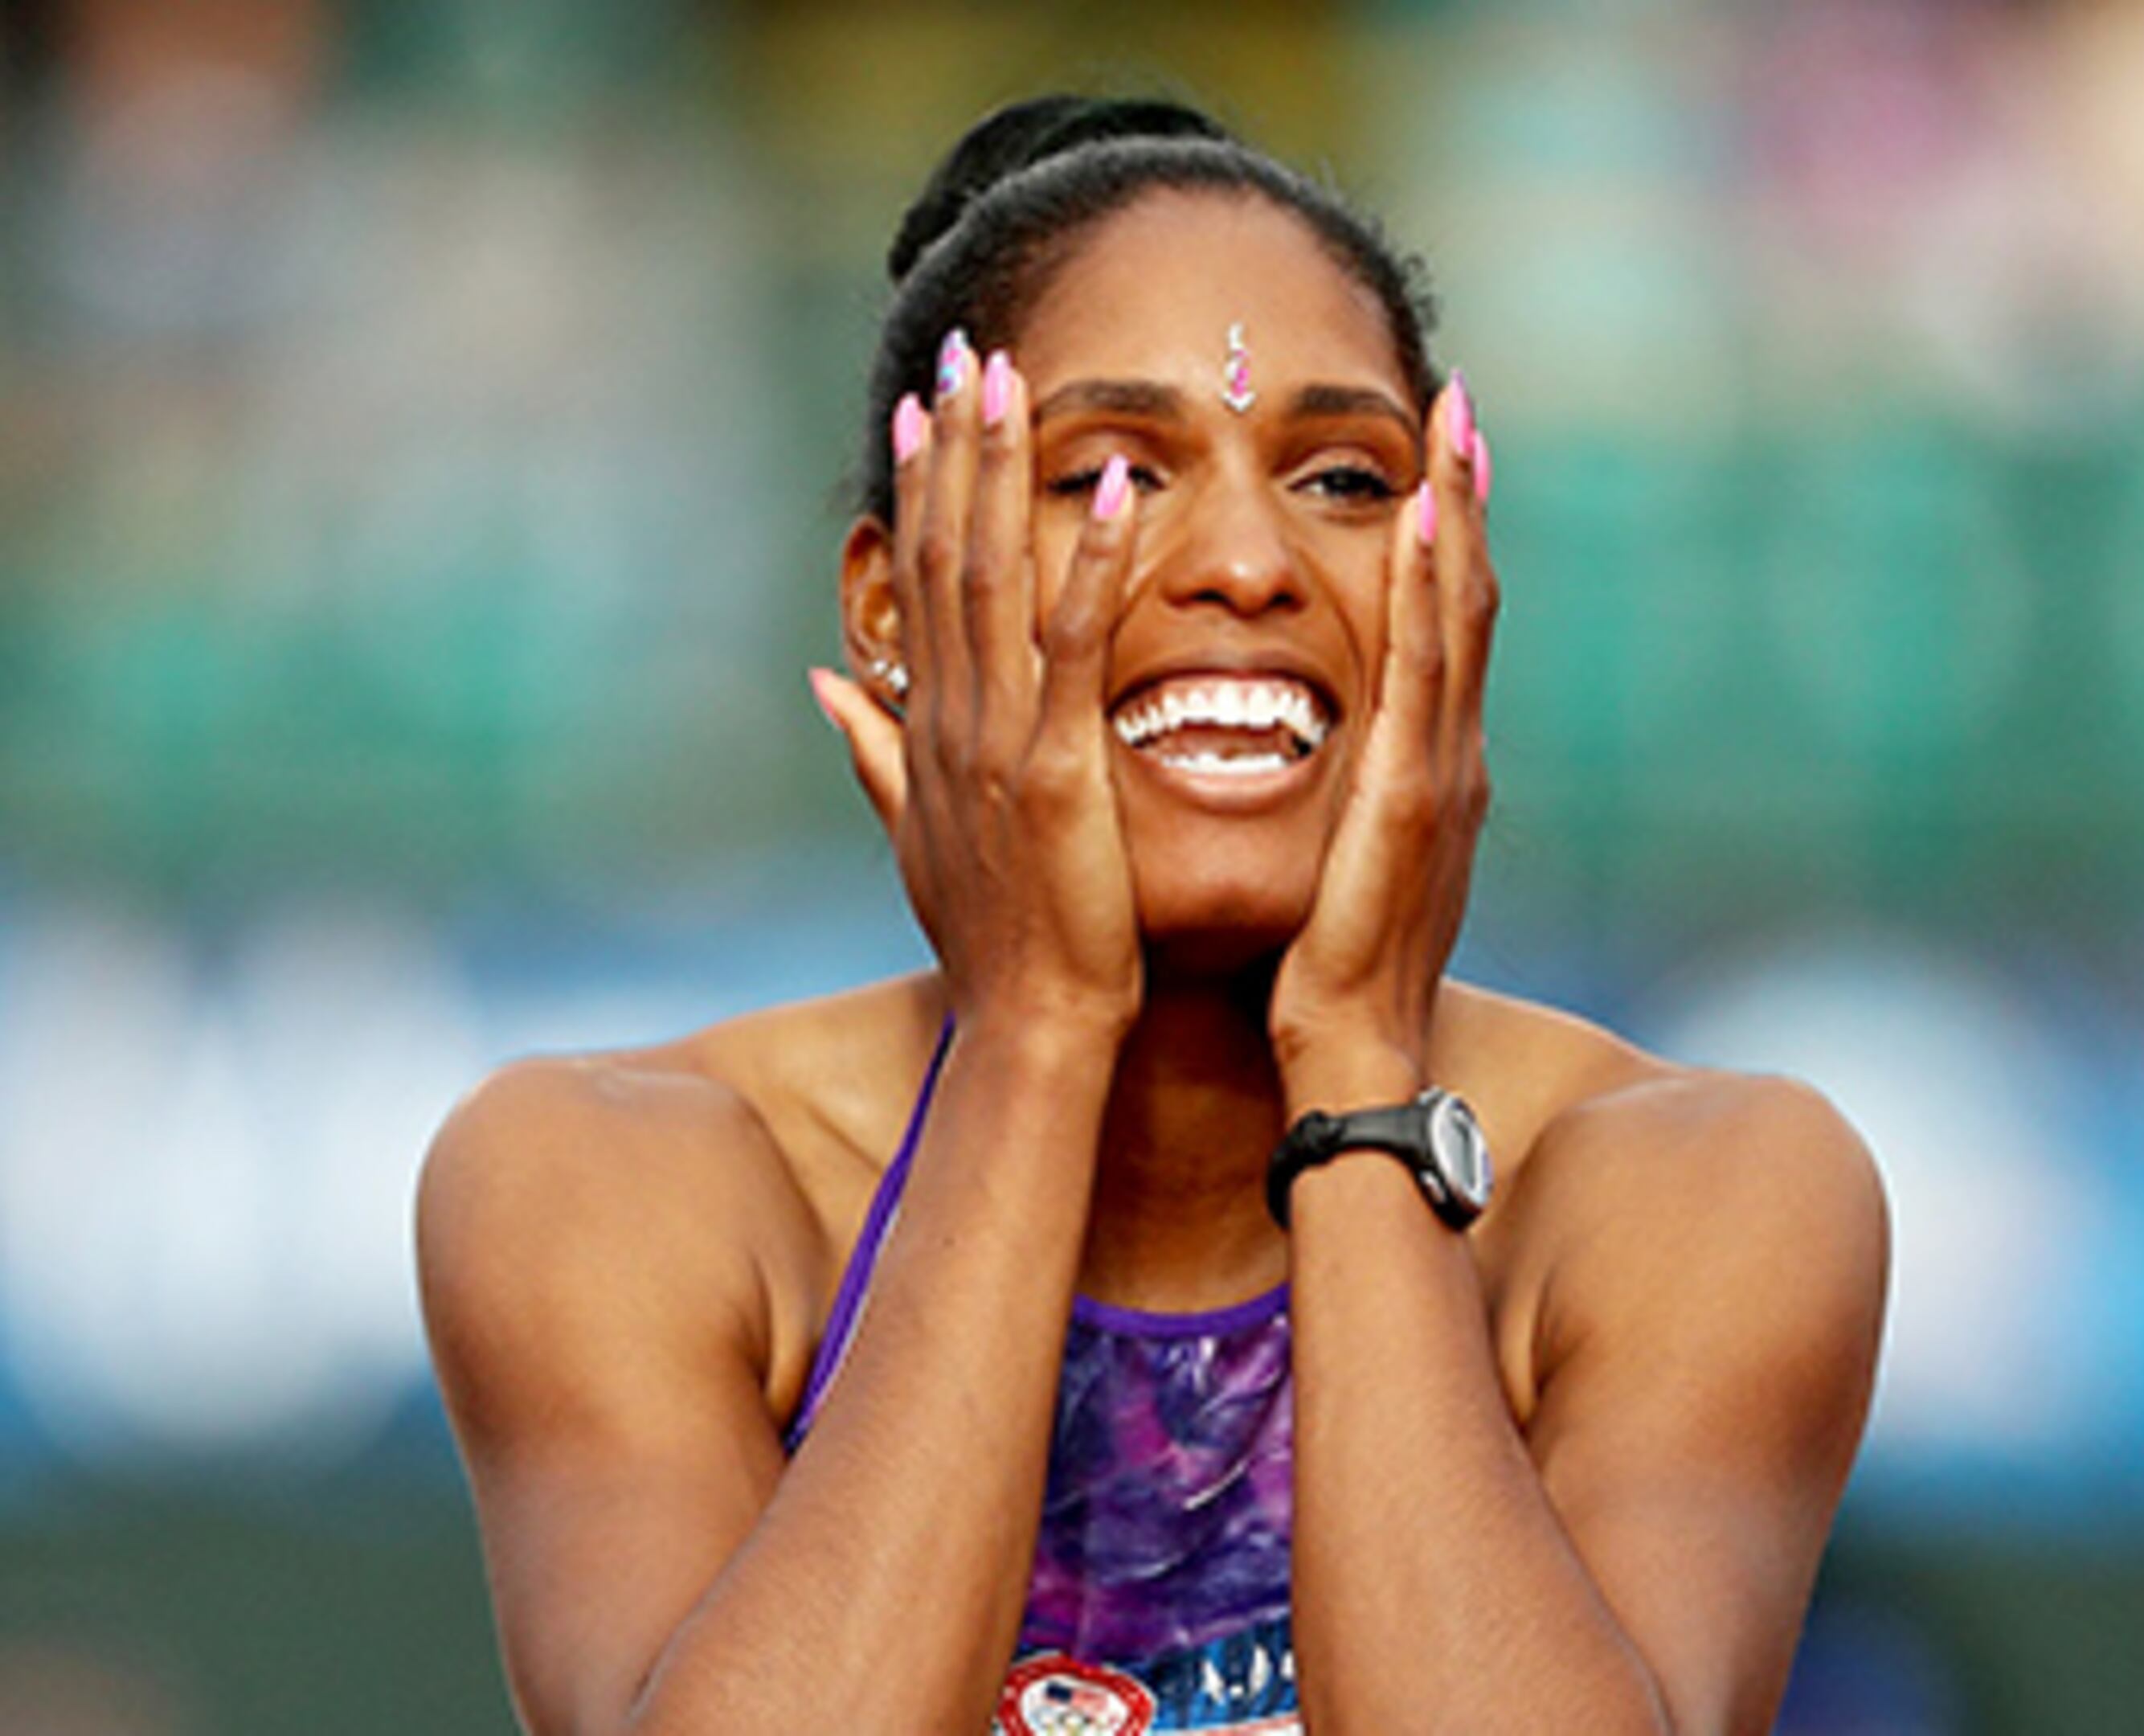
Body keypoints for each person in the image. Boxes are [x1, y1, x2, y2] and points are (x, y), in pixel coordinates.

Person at [415, 96, 1888, 1736]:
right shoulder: (619, 1180)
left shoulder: (1696, 1193)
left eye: (1345, 478)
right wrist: (1036, 1031)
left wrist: (1359, 1060)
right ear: (892, 606)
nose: (1249, 562)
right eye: (1108, 473)